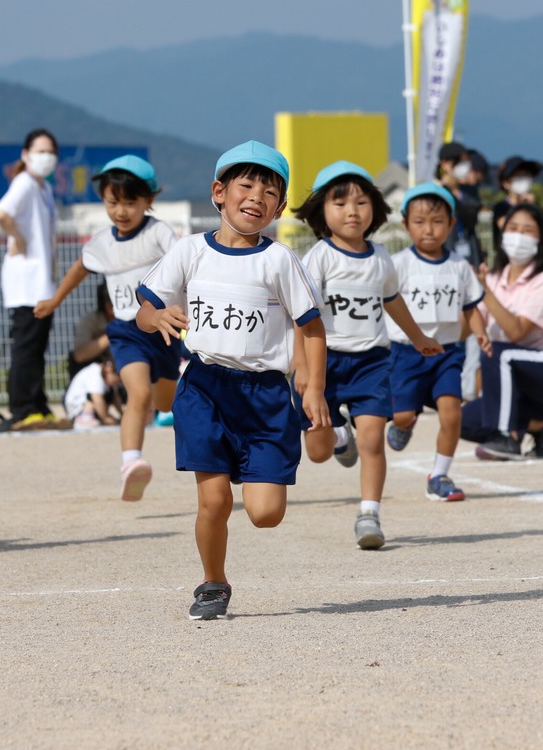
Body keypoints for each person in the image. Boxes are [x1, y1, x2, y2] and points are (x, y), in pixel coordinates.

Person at [136, 140, 329, 620]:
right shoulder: (188, 251)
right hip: (204, 387)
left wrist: (315, 387)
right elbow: (143, 310)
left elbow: (312, 327)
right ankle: (212, 583)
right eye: (247, 186)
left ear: (280, 207)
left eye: (269, 192)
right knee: (215, 499)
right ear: (219, 192)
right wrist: (156, 317)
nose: (256, 197)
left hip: (264, 396)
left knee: (266, 514)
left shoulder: (280, 261)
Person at [291, 162, 442, 550]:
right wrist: (303, 370)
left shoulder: (380, 256)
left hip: (372, 362)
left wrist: (419, 336)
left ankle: (369, 513)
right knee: (319, 451)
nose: (352, 211)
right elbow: (301, 317)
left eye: (361, 201)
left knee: (374, 440)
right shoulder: (319, 257)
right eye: (340, 203)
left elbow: (392, 301)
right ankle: (340, 437)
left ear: (375, 207)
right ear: (321, 211)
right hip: (324, 361)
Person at [35, 155, 180, 500]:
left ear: (149, 200)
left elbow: (185, 266)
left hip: (163, 328)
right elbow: (77, 270)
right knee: (139, 393)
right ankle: (131, 462)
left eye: (131, 203)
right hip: (126, 331)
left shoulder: (160, 233)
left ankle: (170, 419)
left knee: (165, 402)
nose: (121, 211)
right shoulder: (101, 242)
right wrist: (54, 301)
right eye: (113, 202)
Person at [385, 182, 490, 500]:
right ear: (405, 225)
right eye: (419, 222)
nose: (428, 230)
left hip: (446, 355)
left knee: (451, 413)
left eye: (437, 221)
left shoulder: (460, 266)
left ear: (451, 224)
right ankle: (404, 424)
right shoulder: (398, 264)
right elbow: (386, 303)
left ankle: (440, 476)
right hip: (404, 353)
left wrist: (481, 331)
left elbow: (472, 308)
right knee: (402, 415)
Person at [460, 203, 543, 460]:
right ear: (502, 233)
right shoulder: (495, 277)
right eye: (513, 228)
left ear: (541, 239)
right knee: (460, 420)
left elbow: (517, 332)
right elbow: (465, 332)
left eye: (528, 230)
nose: (518, 235)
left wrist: (485, 290)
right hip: (521, 381)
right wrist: (467, 298)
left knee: (497, 353)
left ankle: (507, 437)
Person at [0, 128, 64, 430]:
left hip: (43, 281)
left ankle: (37, 403)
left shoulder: (43, 188)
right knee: (26, 345)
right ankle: (22, 407)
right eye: (40, 151)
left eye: (51, 152)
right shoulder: (23, 182)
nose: (46, 157)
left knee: (37, 346)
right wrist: (18, 237)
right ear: (25, 154)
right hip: (26, 282)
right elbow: (2, 213)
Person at [436, 141, 484, 269]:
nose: (464, 166)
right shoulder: (435, 191)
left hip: (470, 254)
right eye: (458, 162)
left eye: (465, 162)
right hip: (445, 253)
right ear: (445, 164)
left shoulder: (469, 191)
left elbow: (472, 217)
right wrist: (445, 188)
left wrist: (456, 193)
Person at [67, 282, 114, 380]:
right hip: (95, 379)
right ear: (109, 307)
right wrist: (113, 334)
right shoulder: (90, 321)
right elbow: (79, 355)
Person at [492, 155, 543, 246]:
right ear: (506, 183)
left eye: (526, 175)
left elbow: (542, 230)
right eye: (518, 176)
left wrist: (532, 208)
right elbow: (508, 228)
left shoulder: (535, 207)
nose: (523, 179)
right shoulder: (501, 208)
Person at [63, 358, 122, 428]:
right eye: (117, 381)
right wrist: (106, 418)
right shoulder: (95, 373)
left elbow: (116, 398)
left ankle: (99, 417)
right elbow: (97, 398)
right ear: (108, 371)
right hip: (77, 409)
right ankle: (85, 417)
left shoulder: (108, 378)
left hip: (91, 409)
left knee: (110, 394)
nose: (117, 383)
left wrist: (123, 415)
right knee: (95, 397)